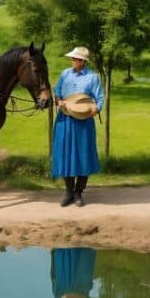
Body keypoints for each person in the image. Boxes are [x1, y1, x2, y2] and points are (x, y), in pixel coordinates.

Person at [52, 47, 103, 207]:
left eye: (75, 59)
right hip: (65, 118)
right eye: (72, 58)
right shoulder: (65, 74)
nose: (72, 61)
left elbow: (100, 97)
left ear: (82, 61)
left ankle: (79, 192)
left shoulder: (92, 77)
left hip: (83, 120)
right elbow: (57, 91)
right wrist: (58, 99)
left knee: (83, 154)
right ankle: (69, 192)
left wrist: (96, 108)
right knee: (65, 154)